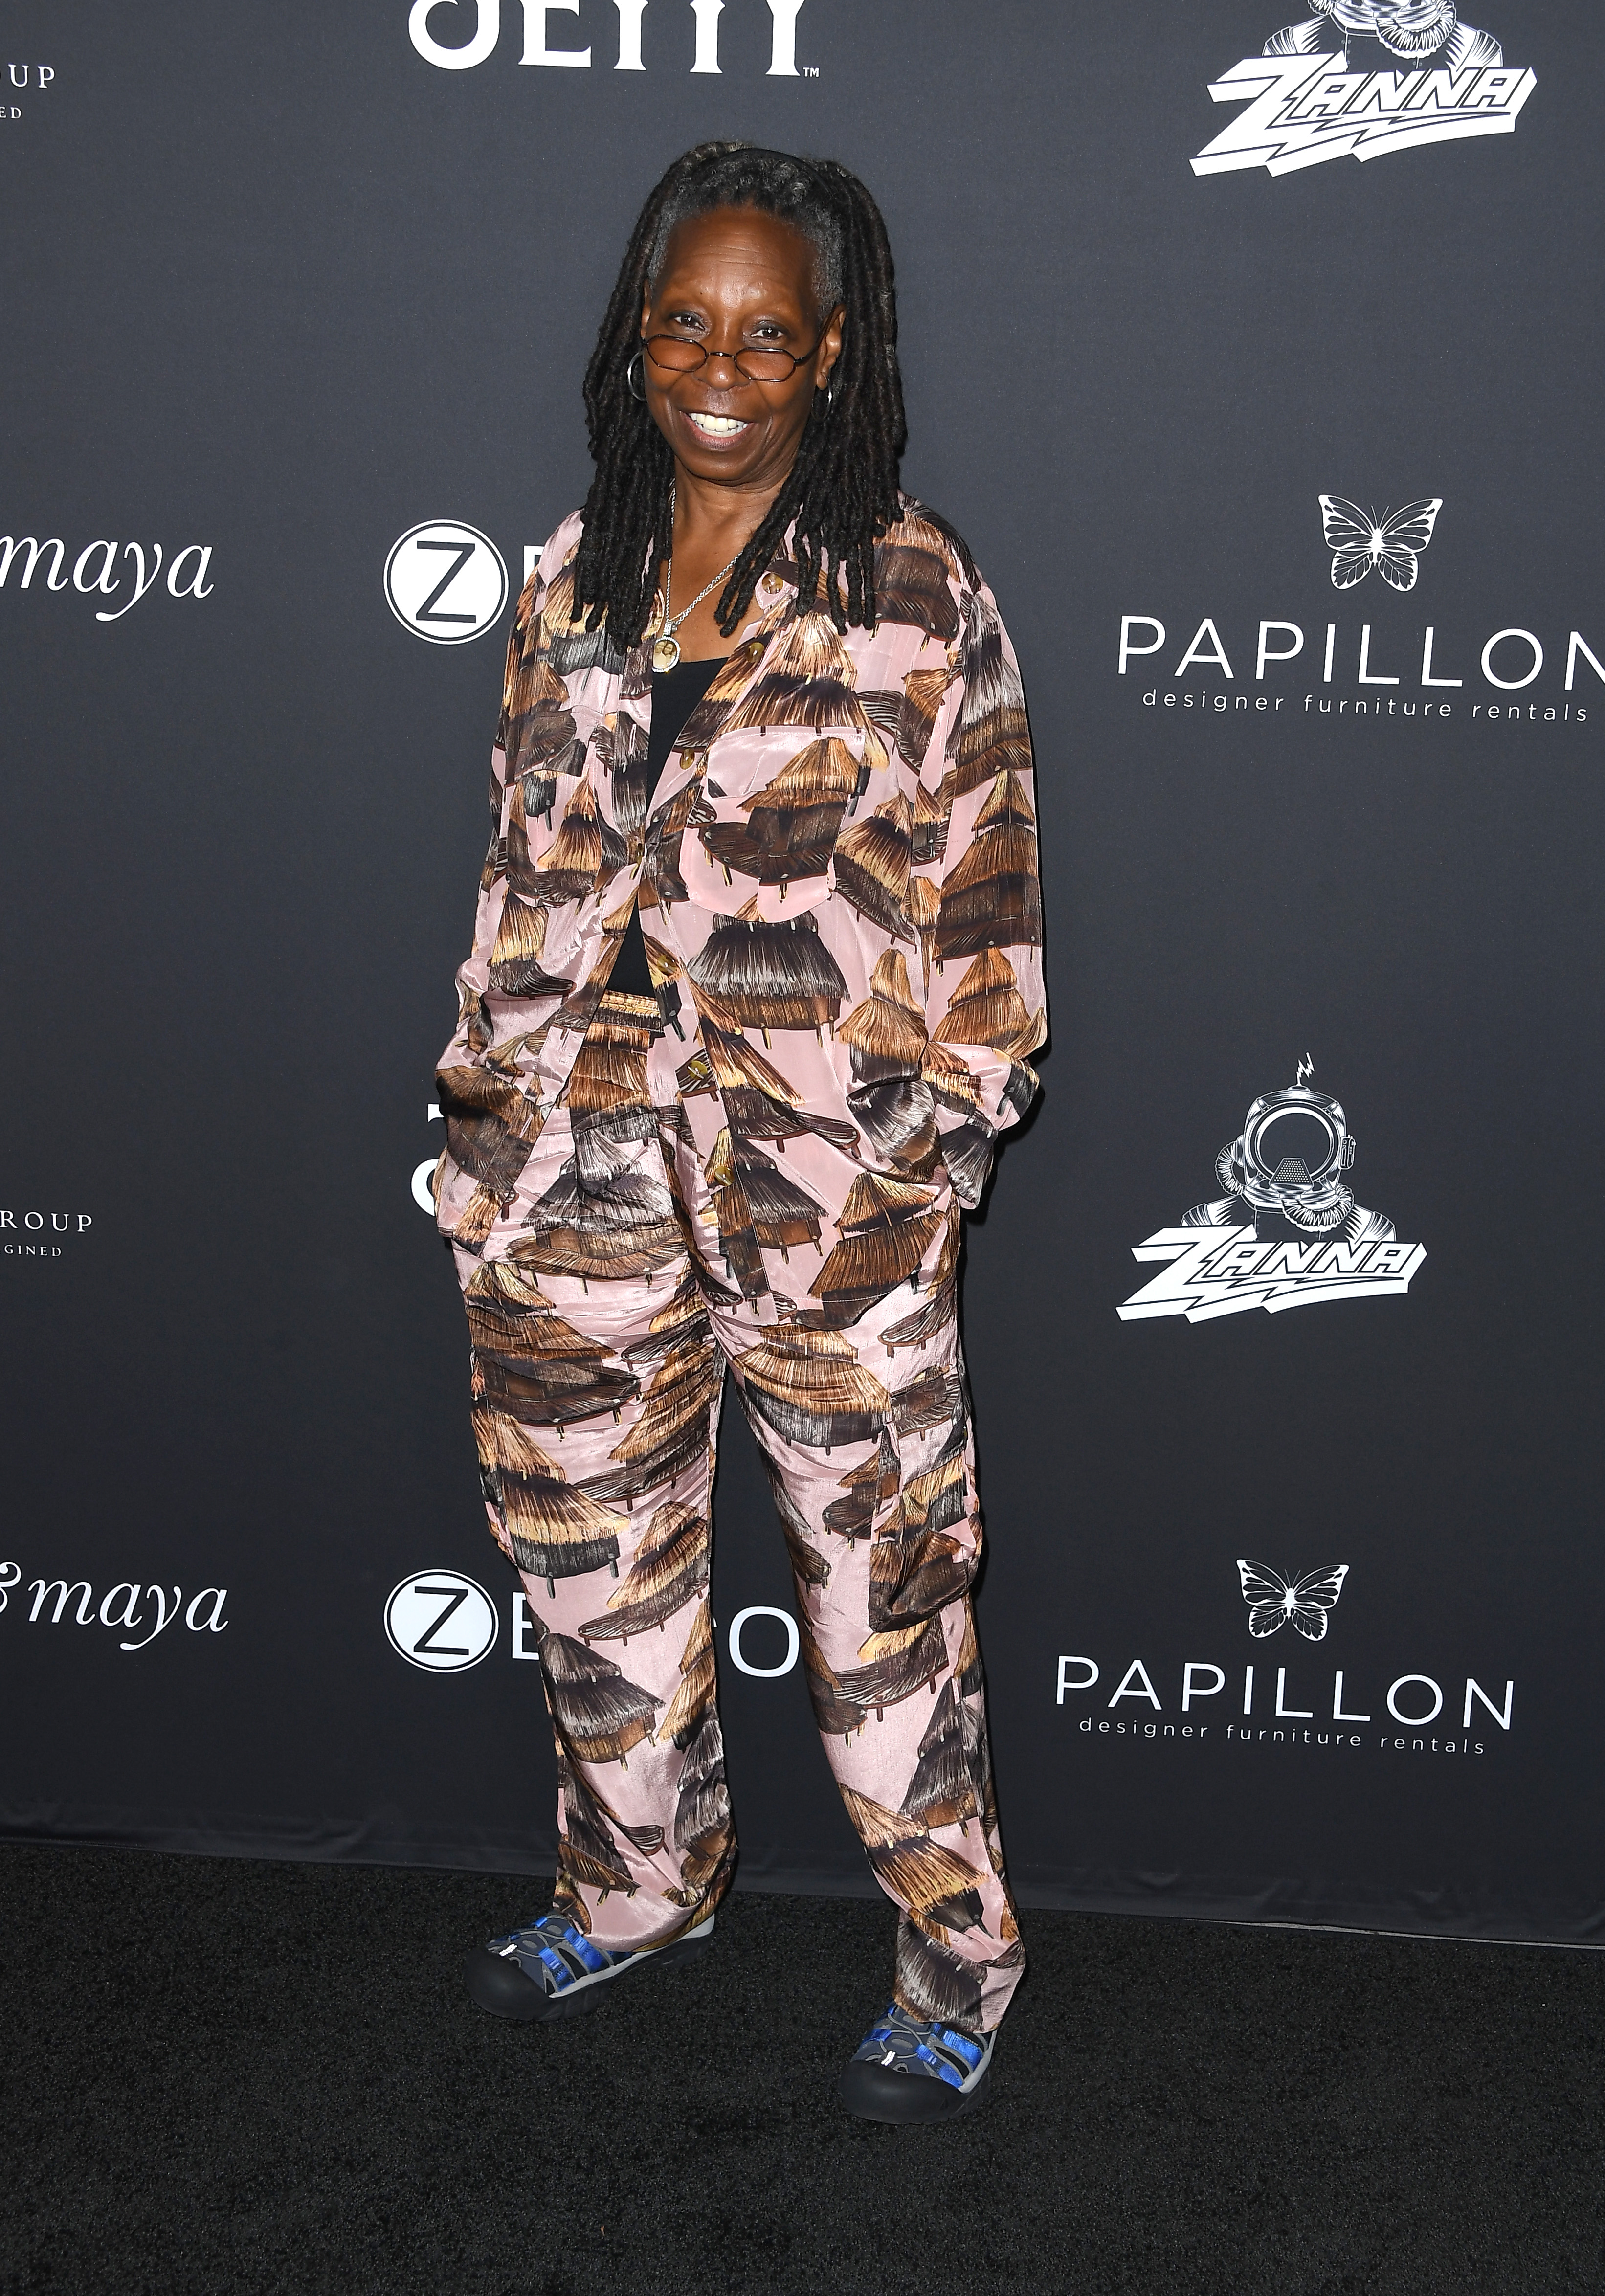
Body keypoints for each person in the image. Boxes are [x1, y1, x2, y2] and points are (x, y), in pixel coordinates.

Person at [430, 142, 1045, 2125]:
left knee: (882, 1598)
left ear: (831, 353)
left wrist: (924, 1160)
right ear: (636, 333)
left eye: (764, 333)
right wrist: (483, 1127)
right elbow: (513, 873)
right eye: (683, 320)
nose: (718, 361)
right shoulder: (566, 572)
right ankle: (635, 1886)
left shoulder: (914, 584)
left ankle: (954, 1960)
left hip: (821, 1203)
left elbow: (991, 918)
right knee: (593, 1570)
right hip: (566, 1181)